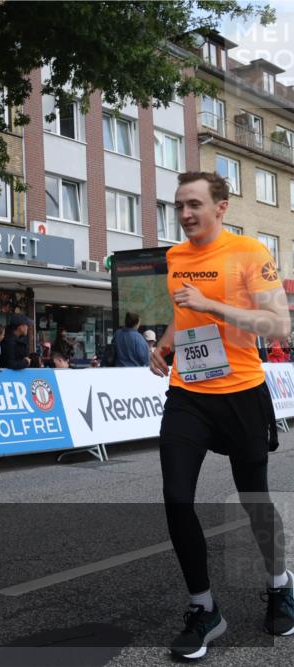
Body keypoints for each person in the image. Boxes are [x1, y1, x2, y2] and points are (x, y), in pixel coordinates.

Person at [149, 172, 292, 659]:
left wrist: (213, 304)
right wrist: (166, 343)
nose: (185, 214)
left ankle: (279, 586)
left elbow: (278, 324)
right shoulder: (175, 256)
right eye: (179, 206)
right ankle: (204, 608)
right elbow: (182, 310)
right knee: (175, 498)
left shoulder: (250, 253)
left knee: (254, 500)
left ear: (221, 207)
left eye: (194, 204)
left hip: (241, 394)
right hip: (188, 394)